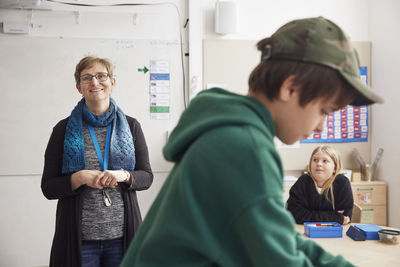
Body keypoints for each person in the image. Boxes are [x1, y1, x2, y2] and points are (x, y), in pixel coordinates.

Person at [121, 17, 383, 267]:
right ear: (290, 88)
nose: (321, 126)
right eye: (324, 110)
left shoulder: (234, 133)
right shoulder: (244, 147)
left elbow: (282, 238)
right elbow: (280, 261)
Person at [41, 56, 153, 267]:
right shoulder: (63, 130)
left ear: (113, 82)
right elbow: (48, 187)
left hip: (122, 238)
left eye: (101, 76)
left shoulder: (132, 126)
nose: (95, 82)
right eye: (87, 78)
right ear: (78, 87)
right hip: (80, 241)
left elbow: (146, 176)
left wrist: (125, 175)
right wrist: (79, 177)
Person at [287, 145, 353, 225]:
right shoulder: (303, 181)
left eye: (325, 161)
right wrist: (334, 217)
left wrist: (308, 214)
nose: (319, 164)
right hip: (304, 231)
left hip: (333, 233)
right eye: (315, 160)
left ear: (335, 168)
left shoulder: (342, 183)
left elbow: (345, 217)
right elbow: (293, 215)